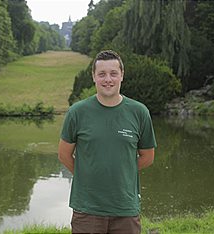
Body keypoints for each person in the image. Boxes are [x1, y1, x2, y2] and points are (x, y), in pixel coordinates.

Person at [58, 50, 157, 234]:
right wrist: (87, 173)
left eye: (113, 73)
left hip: (125, 208)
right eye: (102, 74)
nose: (108, 79)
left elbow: (148, 156)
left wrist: (122, 172)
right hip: (87, 209)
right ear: (94, 77)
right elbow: (64, 155)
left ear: (122, 75)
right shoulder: (77, 112)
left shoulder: (139, 112)